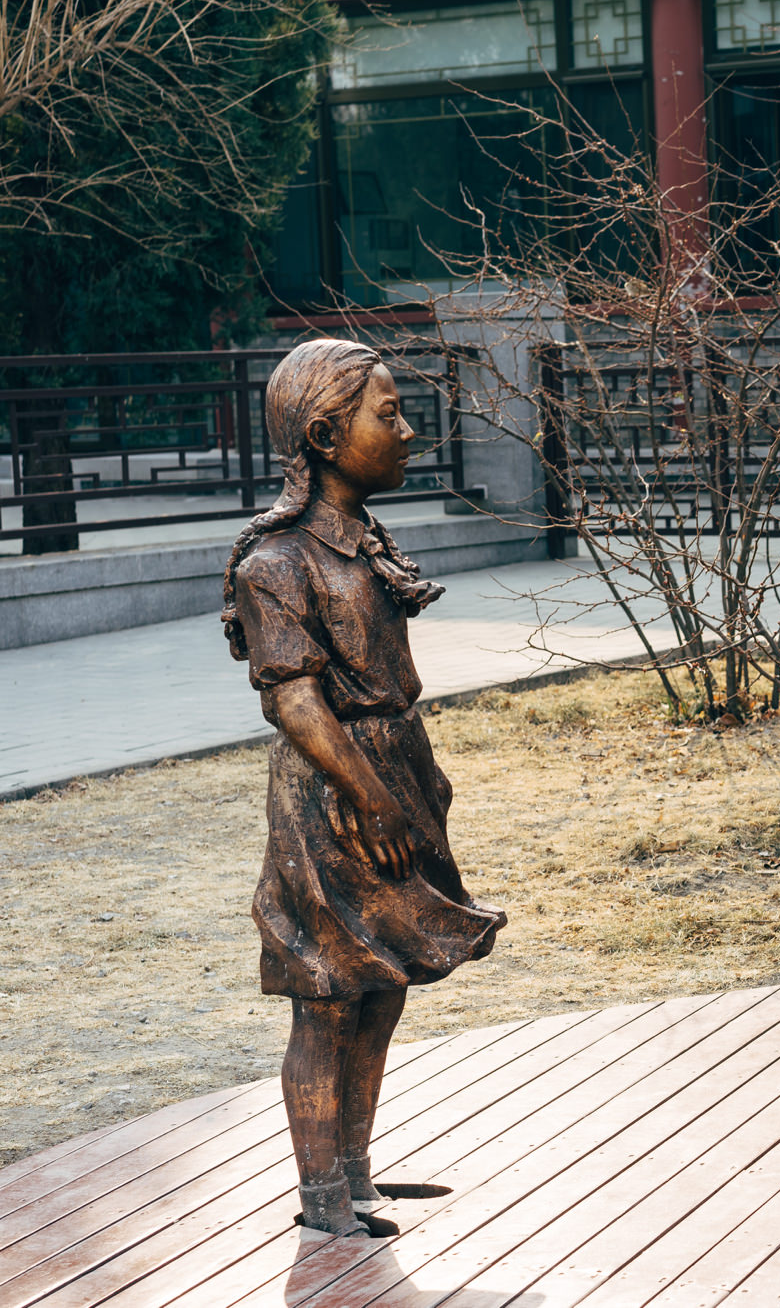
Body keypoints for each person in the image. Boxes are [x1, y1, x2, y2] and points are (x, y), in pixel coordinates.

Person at [221, 339, 506, 1236]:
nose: (409, 429)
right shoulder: (276, 563)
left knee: (382, 984)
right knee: (327, 991)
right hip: (333, 793)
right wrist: (370, 795)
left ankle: (355, 1171)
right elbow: (297, 705)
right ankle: (319, 1198)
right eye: (388, 414)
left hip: (393, 769)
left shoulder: (367, 542)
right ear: (324, 433)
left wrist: (416, 782)